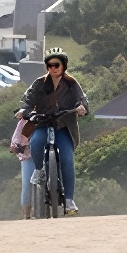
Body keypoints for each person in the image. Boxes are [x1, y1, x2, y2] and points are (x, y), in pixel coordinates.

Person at [16, 52, 89, 215]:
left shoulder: (71, 84)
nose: (53, 68)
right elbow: (27, 100)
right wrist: (24, 111)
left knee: (67, 158)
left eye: (57, 65)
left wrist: (82, 108)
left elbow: (82, 99)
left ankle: (69, 200)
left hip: (64, 126)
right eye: (50, 65)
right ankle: (39, 170)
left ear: (64, 66)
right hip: (42, 123)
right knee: (35, 142)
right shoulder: (39, 83)